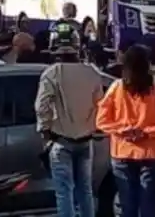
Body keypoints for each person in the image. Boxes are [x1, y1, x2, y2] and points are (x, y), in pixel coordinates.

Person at [95, 45, 155, 217]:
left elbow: (101, 121)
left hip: (123, 152)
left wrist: (122, 130)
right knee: (149, 207)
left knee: (127, 207)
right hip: (152, 154)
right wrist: (145, 132)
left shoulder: (117, 88)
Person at [36, 26, 104, 217]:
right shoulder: (92, 73)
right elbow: (101, 107)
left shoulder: (51, 74)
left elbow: (41, 107)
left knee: (64, 193)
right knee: (85, 191)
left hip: (60, 142)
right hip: (86, 142)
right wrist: (96, 128)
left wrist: (45, 131)